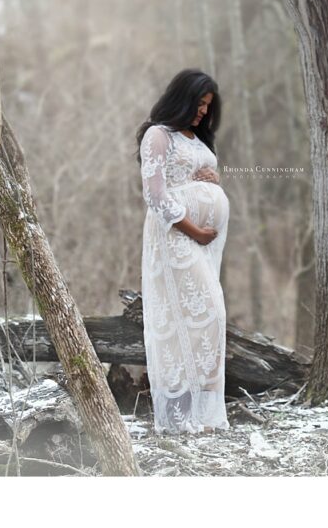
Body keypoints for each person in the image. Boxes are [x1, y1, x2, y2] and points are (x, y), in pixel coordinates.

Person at [137, 69, 229, 434]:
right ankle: (178, 417)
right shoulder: (157, 135)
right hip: (174, 234)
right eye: (199, 103)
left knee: (210, 318)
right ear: (182, 98)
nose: (203, 112)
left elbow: (197, 174)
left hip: (203, 242)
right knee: (197, 316)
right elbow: (155, 195)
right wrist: (194, 230)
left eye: (208, 106)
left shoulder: (197, 139)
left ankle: (202, 415)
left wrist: (214, 178)